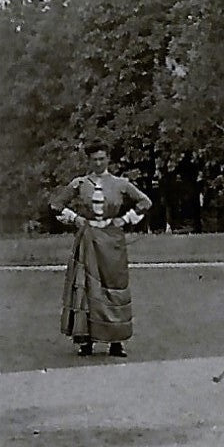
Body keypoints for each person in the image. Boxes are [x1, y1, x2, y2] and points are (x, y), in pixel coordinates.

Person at [50, 142, 152, 358]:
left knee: (113, 287)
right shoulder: (79, 183)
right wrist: (76, 218)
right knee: (87, 287)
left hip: (112, 240)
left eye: (102, 159)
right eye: (94, 159)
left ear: (108, 160)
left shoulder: (121, 184)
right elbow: (56, 204)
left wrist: (124, 219)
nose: (98, 163)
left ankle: (116, 342)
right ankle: (85, 341)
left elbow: (145, 202)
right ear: (89, 161)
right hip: (88, 238)